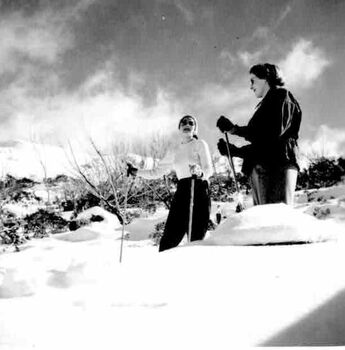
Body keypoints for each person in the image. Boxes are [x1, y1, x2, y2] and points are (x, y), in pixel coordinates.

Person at [217, 63, 302, 206]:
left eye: (253, 80)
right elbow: (262, 140)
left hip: (277, 165)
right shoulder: (269, 102)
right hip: (264, 167)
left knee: (274, 219)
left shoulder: (281, 96)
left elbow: (271, 137)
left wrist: (236, 138)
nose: (251, 86)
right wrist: (234, 143)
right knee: (263, 220)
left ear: (266, 77)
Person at [127, 115, 214, 252]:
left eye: (191, 123)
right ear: (179, 128)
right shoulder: (174, 150)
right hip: (182, 191)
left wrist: (201, 173)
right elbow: (156, 172)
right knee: (169, 239)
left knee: (196, 239)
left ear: (195, 128)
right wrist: (136, 172)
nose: (187, 124)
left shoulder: (199, 144)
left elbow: (209, 169)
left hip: (199, 189)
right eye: (183, 122)